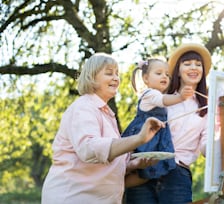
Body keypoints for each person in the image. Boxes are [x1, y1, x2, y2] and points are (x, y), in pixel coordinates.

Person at [41, 53, 165, 204]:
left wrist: (133, 164)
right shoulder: (84, 107)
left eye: (117, 74)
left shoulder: (106, 114)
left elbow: (105, 163)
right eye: (109, 73)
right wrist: (138, 138)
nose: (115, 78)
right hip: (73, 197)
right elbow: (89, 149)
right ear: (92, 77)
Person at [124, 43, 212, 204]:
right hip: (145, 165)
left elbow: (206, 143)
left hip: (177, 173)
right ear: (177, 70)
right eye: (187, 64)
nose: (193, 68)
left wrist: (218, 146)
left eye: (198, 65)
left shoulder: (207, 106)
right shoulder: (161, 96)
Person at [122, 58, 194, 188]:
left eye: (167, 74)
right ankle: (117, 186)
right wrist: (181, 97)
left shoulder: (157, 94)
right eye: (159, 73)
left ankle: (118, 186)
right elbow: (164, 100)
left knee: (145, 175)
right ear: (145, 78)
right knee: (141, 172)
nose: (164, 76)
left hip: (154, 139)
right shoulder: (150, 94)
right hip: (145, 137)